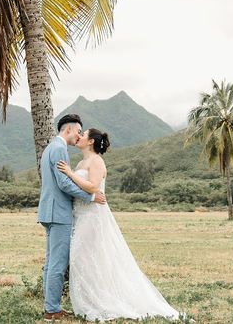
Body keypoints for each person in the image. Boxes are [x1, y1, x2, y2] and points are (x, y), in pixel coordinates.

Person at [57, 128, 183, 322]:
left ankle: (100, 301)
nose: (79, 137)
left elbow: (92, 186)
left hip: (92, 215)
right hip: (80, 214)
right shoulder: (82, 162)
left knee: (86, 256)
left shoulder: (97, 161)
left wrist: (69, 173)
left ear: (90, 141)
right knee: (82, 258)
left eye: (83, 134)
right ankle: (89, 300)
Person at [38, 114, 107, 321]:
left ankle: (51, 306)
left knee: (51, 262)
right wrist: (91, 196)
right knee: (57, 264)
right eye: (78, 131)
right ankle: (52, 309)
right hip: (59, 212)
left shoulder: (50, 147)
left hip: (48, 211)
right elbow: (64, 184)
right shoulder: (60, 149)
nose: (78, 136)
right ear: (68, 129)